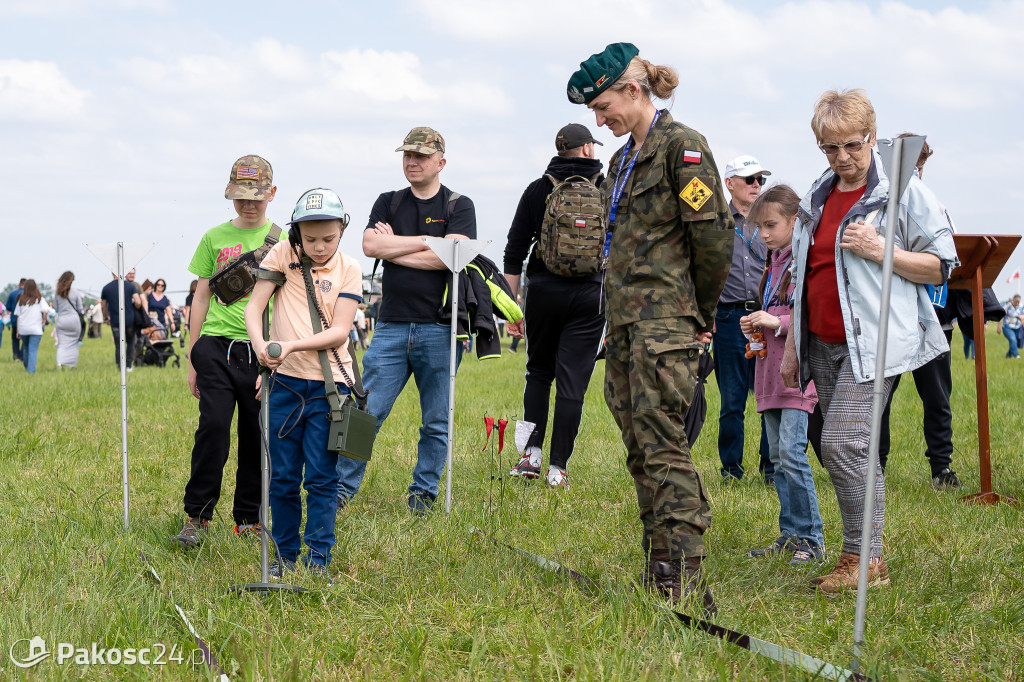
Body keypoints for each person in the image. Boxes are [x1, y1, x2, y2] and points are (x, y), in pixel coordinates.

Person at [568, 43, 733, 612]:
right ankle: (659, 567)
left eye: (603, 104)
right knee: (639, 449)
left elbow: (713, 239)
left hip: (665, 325)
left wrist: (700, 315)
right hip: (624, 328)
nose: (599, 118)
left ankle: (688, 580)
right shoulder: (620, 162)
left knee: (664, 447)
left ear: (634, 91)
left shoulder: (680, 148)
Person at [780, 89, 958, 594]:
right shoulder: (817, 195)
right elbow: (806, 273)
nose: (842, 158)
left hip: (876, 345)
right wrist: (795, 344)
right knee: (847, 449)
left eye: (853, 146)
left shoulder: (903, 192)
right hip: (823, 343)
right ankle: (863, 556)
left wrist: (883, 250)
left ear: (872, 138)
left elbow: (940, 265)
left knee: (844, 442)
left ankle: (863, 560)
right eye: (830, 148)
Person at [334, 127, 477, 516]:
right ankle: (340, 490)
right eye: (407, 156)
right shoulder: (389, 201)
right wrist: (432, 242)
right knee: (363, 413)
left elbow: (454, 258)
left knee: (436, 421)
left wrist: (397, 245)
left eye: (422, 156)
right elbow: (369, 245)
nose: (412, 162)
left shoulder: (459, 205)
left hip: (442, 328)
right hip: (392, 326)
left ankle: (423, 496)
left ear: (441, 163)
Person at [245, 188, 362, 582]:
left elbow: (341, 333)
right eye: (310, 239)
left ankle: (319, 560)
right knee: (282, 477)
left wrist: (291, 345)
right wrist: (261, 347)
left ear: (342, 231)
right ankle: (284, 556)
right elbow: (253, 306)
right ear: (296, 233)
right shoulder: (282, 254)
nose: (319, 247)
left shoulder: (350, 269)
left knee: (322, 479)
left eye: (328, 239)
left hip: (329, 392)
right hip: (285, 386)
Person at [173, 155, 279, 548]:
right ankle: (196, 517)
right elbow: (201, 297)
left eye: (257, 196)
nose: (249, 204)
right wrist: (192, 352)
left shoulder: (284, 240)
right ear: (230, 194)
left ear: (272, 193)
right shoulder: (213, 237)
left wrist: (273, 361)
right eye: (240, 197)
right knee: (213, 427)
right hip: (214, 346)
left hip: (259, 352)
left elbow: (285, 305)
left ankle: (249, 518)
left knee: (256, 434)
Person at [503, 123, 606, 488]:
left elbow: (514, 251)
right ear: (588, 150)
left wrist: (512, 306)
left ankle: (531, 455)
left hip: (544, 291)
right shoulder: (607, 188)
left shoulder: (538, 189)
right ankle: (558, 467)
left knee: (539, 373)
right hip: (591, 296)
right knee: (572, 383)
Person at [739, 185, 825, 566]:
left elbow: (814, 317)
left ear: (795, 220)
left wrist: (776, 320)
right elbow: (776, 314)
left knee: (792, 454)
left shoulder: (805, 261)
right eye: (759, 227)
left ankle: (813, 539)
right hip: (769, 375)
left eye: (771, 225)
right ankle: (791, 535)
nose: (764, 234)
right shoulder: (773, 263)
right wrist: (758, 325)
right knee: (776, 457)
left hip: (796, 376)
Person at [877, 135, 960, 488]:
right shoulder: (881, 206)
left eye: (920, 165)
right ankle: (874, 466)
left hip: (935, 317)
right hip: (894, 317)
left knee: (937, 397)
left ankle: (941, 467)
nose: (916, 171)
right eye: (911, 164)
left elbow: (946, 259)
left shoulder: (934, 207)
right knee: (880, 397)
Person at [715, 155, 772, 483]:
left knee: (769, 397)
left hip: (766, 317)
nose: (756, 185)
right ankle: (731, 471)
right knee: (732, 399)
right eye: (749, 179)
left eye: (760, 180)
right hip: (729, 317)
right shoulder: (716, 220)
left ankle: (771, 469)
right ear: (729, 183)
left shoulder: (771, 219)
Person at [100, 270, 144, 369]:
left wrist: (106, 317)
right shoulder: (130, 286)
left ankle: (120, 365)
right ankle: (128, 365)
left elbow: (103, 306)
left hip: (115, 321)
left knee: (118, 344)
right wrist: (135, 308)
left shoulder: (106, 288)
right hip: (129, 319)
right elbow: (138, 302)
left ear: (112, 273)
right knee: (131, 342)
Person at [14, 279, 51, 374]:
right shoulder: (39, 299)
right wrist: (44, 319)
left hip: (23, 328)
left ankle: (27, 366)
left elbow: (18, 316)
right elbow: (46, 310)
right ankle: (30, 371)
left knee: (25, 348)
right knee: (33, 350)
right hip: (36, 329)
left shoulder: (21, 300)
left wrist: (18, 330)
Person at [53, 271, 85, 369]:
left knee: (62, 344)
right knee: (73, 344)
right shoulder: (75, 293)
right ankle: (72, 365)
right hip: (74, 321)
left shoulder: (57, 293)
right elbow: (80, 308)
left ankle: (60, 363)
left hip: (62, 320)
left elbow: (56, 309)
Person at [7, 278, 25, 361]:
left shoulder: (12, 294)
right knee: (25, 340)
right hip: (25, 321)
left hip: (14, 320)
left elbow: (8, 307)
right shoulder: (28, 294)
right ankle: (22, 355)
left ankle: (16, 355)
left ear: (19, 284)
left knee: (15, 339)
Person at [1002, 294, 1024, 358]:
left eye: (1018, 302)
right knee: (1012, 339)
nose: (1016, 303)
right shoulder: (1007, 305)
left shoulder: (1021, 306)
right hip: (1007, 327)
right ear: (1013, 300)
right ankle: (1016, 354)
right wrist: (998, 327)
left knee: (1015, 342)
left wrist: (1021, 317)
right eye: (1015, 301)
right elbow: (1001, 315)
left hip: (1018, 327)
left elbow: (1023, 314)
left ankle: (1009, 355)